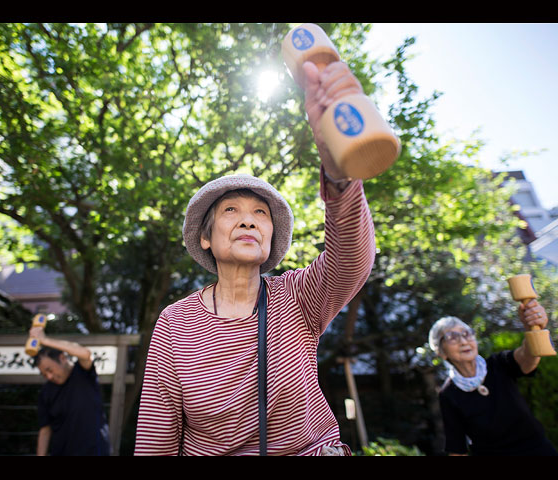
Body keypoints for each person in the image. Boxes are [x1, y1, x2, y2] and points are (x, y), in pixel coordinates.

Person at [134, 60, 377, 456]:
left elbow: (351, 258)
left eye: (260, 213)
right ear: (206, 238)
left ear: (270, 236)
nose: (249, 219)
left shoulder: (298, 296)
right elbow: (156, 441)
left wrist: (339, 170)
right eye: (231, 211)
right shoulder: (175, 323)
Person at [428, 300, 558, 456]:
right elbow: (457, 448)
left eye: (466, 333)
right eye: (451, 337)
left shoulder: (498, 364)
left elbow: (528, 356)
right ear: (441, 352)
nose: (463, 341)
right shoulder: (448, 394)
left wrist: (532, 328)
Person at [30, 327, 111, 456]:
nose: (49, 376)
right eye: (44, 374)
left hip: (94, 450)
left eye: (50, 370)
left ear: (62, 358)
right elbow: (45, 429)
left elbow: (85, 353)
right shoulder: (46, 392)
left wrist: (45, 340)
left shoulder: (83, 373)